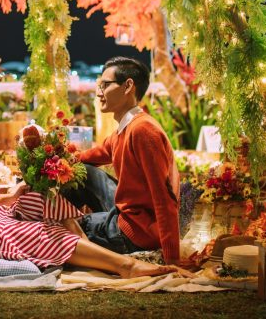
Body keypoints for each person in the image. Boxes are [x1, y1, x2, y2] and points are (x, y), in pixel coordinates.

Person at [0, 72, 188, 278]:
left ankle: (92, 254)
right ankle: (124, 265)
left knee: (43, 199)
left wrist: (16, 192)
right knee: (36, 231)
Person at [62, 57, 181, 264]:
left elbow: (164, 198)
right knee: (80, 170)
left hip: (136, 233)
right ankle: (53, 213)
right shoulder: (125, 128)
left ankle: (53, 222)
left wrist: (172, 259)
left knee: (59, 228)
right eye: (99, 85)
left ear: (128, 86)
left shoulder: (143, 131)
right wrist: (58, 162)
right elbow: (95, 155)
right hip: (131, 213)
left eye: (105, 85)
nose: (99, 92)